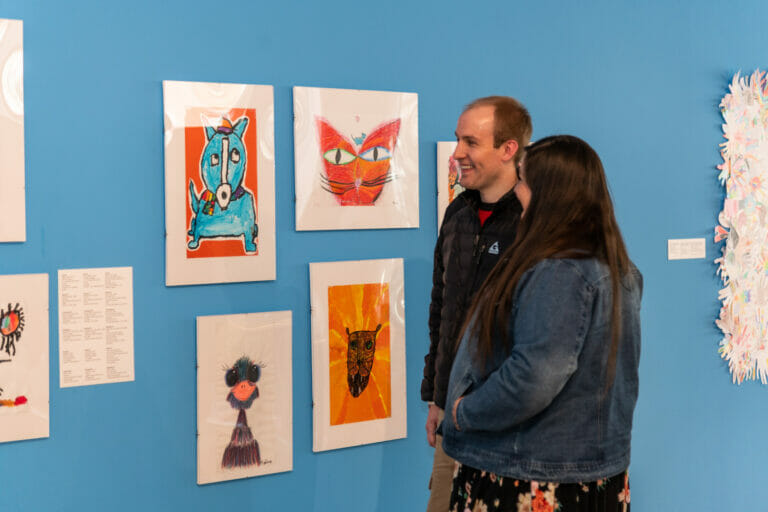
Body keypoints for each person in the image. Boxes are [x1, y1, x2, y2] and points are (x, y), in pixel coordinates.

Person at [441, 135, 642, 511]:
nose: (516, 191)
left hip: (532, 474)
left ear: (549, 194)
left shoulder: (560, 271)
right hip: (588, 475)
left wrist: (464, 411)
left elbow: (533, 377)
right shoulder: (617, 270)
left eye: (522, 181)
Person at [422, 96, 532, 512]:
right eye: (457, 141)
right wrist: (435, 395)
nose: (457, 154)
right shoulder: (457, 215)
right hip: (453, 419)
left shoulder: (531, 224)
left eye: (471, 142)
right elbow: (441, 308)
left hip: (510, 427)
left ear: (508, 150)